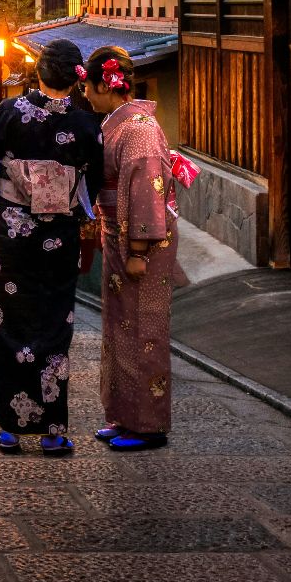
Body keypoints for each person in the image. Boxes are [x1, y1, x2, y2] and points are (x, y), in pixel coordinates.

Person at [0, 39, 102, 456]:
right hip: (59, 237)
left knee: (8, 320)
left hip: (13, 235)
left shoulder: (11, 111)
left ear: (39, 72)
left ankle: (11, 429)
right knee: (53, 323)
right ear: (76, 77)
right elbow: (94, 182)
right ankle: (53, 430)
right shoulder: (87, 124)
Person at [80, 46, 176, 452]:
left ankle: (149, 425)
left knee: (144, 329)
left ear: (107, 83)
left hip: (141, 244)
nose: (84, 94)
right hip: (119, 236)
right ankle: (123, 415)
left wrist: (138, 249)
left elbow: (146, 192)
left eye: (88, 87)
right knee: (120, 326)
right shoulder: (118, 124)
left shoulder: (137, 130)